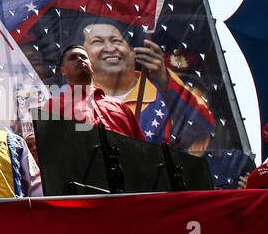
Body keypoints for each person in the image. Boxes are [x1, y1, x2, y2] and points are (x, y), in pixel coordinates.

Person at [78, 19, 215, 151]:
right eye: (97, 42)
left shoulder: (164, 87)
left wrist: (164, 80)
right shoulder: (74, 103)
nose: (109, 48)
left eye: (116, 40)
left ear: (132, 52)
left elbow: (203, 126)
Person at [40, 45, 146, 139]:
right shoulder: (53, 105)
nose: (79, 59)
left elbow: (142, 148)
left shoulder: (120, 106)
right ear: (63, 71)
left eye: (84, 57)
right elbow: (49, 147)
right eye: (73, 58)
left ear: (92, 67)